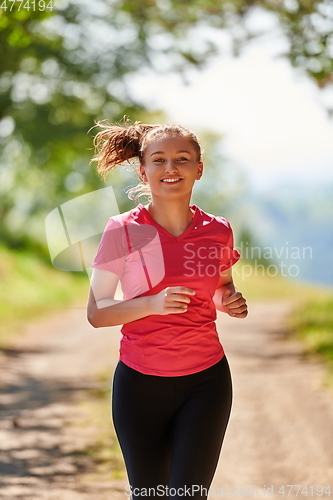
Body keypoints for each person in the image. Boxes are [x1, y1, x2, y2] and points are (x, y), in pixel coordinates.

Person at [87, 120, 248, 500]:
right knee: (150, 496)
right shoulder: (122, 230)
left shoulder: (218, 230)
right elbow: (97, 311)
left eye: (182, 159)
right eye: (158, 160)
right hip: (139, 386)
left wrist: (229, 301)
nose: (170, 168)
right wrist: (150, 304)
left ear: (199, 169)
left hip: (206, 383)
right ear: (143, 171)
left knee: (188, 496)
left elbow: (221, 285)